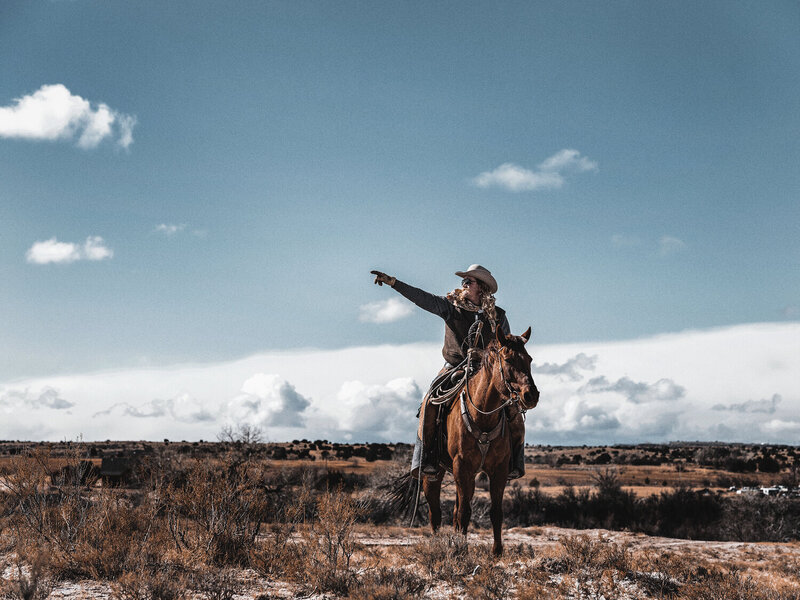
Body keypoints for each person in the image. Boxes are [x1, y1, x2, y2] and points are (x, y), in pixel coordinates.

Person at [370, 265, 526, 480]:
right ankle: (425, 460)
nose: (463, 284)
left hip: (487, 373)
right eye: (464, 281)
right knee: (430, 402)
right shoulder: (450, 307)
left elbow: (505, 345)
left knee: (514, 408)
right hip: (454, 368)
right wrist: (394, 283)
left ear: (481, 288)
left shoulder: (498, 316)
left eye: (468, 281)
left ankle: (514, 463)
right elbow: (421, 298)